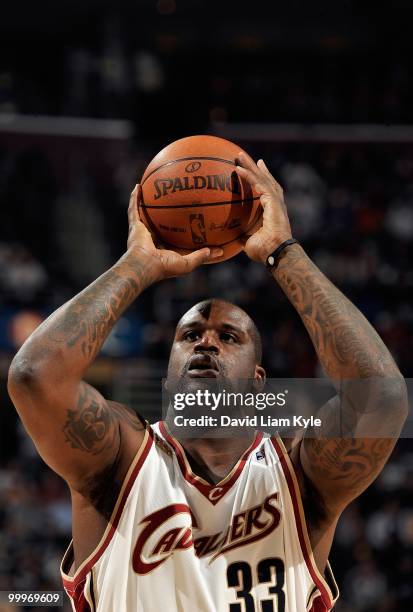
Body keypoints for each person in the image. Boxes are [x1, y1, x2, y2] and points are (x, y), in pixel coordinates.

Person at [8, 152, 407, 611]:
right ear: (168, 375)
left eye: (228, 336)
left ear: (259, 382)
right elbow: (34, 376)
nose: (206, 344)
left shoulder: (299, 474)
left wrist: (283, 253)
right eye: (190, 335)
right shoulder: (119, 459)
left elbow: (382, 397)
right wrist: (138, 262)